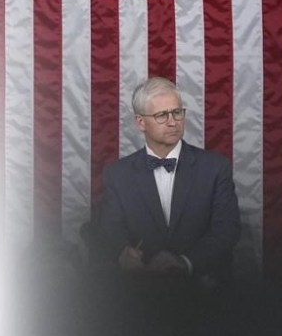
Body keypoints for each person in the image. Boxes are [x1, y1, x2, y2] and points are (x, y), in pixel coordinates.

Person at [97, 77, 241, 286]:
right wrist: (122, 253)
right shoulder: (117, 174)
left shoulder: (215, 168)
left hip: (201, 290)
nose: (173, 122)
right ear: (140, 122)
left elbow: (227, 230)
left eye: (177, 112)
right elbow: (111, 228)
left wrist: (185, 263)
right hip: (139, 291)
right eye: (162, 115)